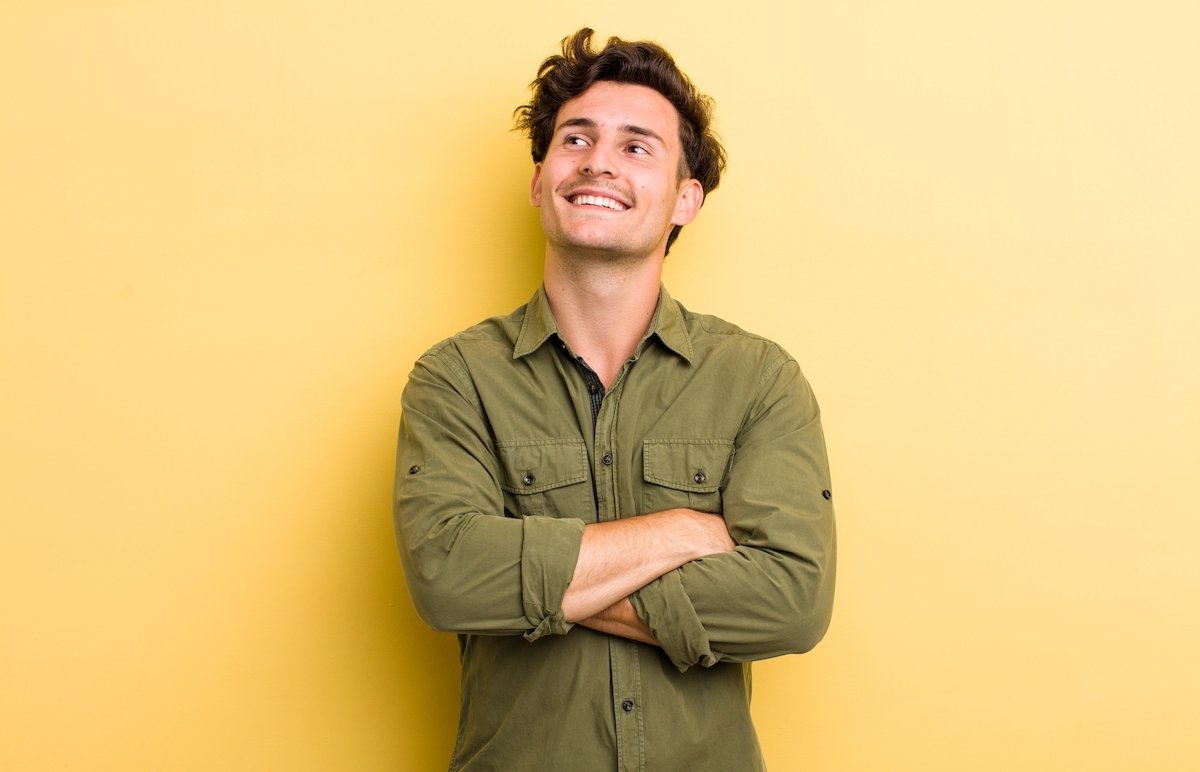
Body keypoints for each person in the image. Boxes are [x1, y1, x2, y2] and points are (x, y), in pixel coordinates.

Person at [393, 28, 836, 771]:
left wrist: (536, 590)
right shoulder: (456, 380)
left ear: (685, 199)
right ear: (540, 181)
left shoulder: (758, 380)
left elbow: (791, 599)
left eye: (637, 147)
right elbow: (449, 576)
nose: (598, 161)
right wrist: (680, 531)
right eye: (576, 139)